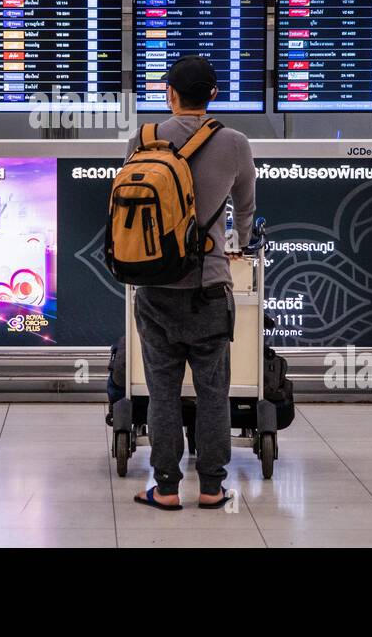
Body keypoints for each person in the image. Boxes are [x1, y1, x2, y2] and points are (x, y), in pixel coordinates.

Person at [126, 55, 255, 512]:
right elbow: (245, 211)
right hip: (209, 287)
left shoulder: (144, 139)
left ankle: (164, 487)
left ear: (169, 93)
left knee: (162, 391)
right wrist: (235, 238)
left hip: (155, 287)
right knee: (213, 391)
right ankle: (212, 486)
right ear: (214, 94)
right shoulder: (235, 143)